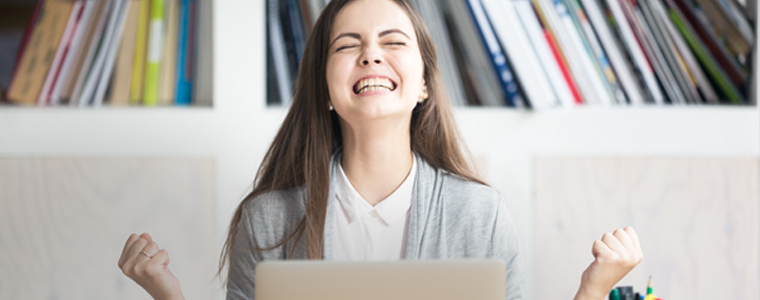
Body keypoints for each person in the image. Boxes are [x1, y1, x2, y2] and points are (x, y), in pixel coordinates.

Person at [117, 0, 643, 299]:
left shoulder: (479, 216)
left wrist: (594, 289)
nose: (371, 56)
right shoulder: (268, 220)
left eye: (393, 42)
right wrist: (166, 293)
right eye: (348, 45)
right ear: (324, 89)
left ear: (423, 85)